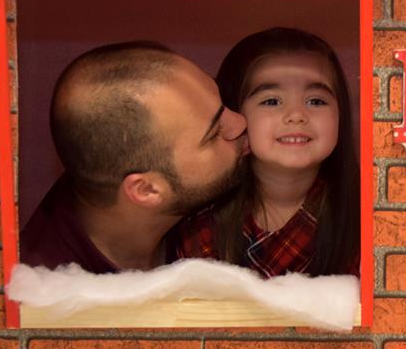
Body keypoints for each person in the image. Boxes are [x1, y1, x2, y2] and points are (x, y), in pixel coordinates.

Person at [21, 42, 248, 273]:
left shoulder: (113, 166)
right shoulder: (53, 287)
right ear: (146, 189)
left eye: (222, 102)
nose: (240, 122)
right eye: (214, 134)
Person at [174, 27, 360, 278]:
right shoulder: (200, 223)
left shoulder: (368, 218)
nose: (296, 115)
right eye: (271, 101)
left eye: (316, 101)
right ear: (234, 115)